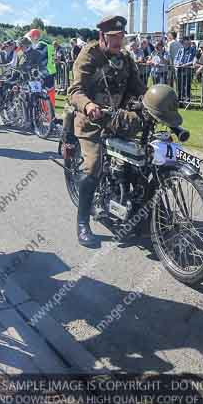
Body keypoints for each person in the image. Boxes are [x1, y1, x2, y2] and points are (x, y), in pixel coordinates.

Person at [67, 15, 147, 247]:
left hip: (117, 119)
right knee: (93, 166)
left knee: (141, 158)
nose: (118, 42)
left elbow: (138, 88)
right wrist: (89, 105)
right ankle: (82, 222)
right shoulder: (90, 54)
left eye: (121, 37)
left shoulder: (125, 59)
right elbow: (75, 90)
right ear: (102, 36)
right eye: (113, 37)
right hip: (91, 121)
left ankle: (135, 207)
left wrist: (153, 101)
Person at [174, 36, 196, 103]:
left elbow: (194, 60)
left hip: (188, 70)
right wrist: (178, 63)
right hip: (180, 70)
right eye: (183, 43)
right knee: (179, 85)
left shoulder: (193, 50)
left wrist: (185, 65)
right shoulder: (180, 50)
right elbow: (176, 59)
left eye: (186, 42)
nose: (185, 44)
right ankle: (180, 99)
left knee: (187, 86)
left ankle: (187, 100)